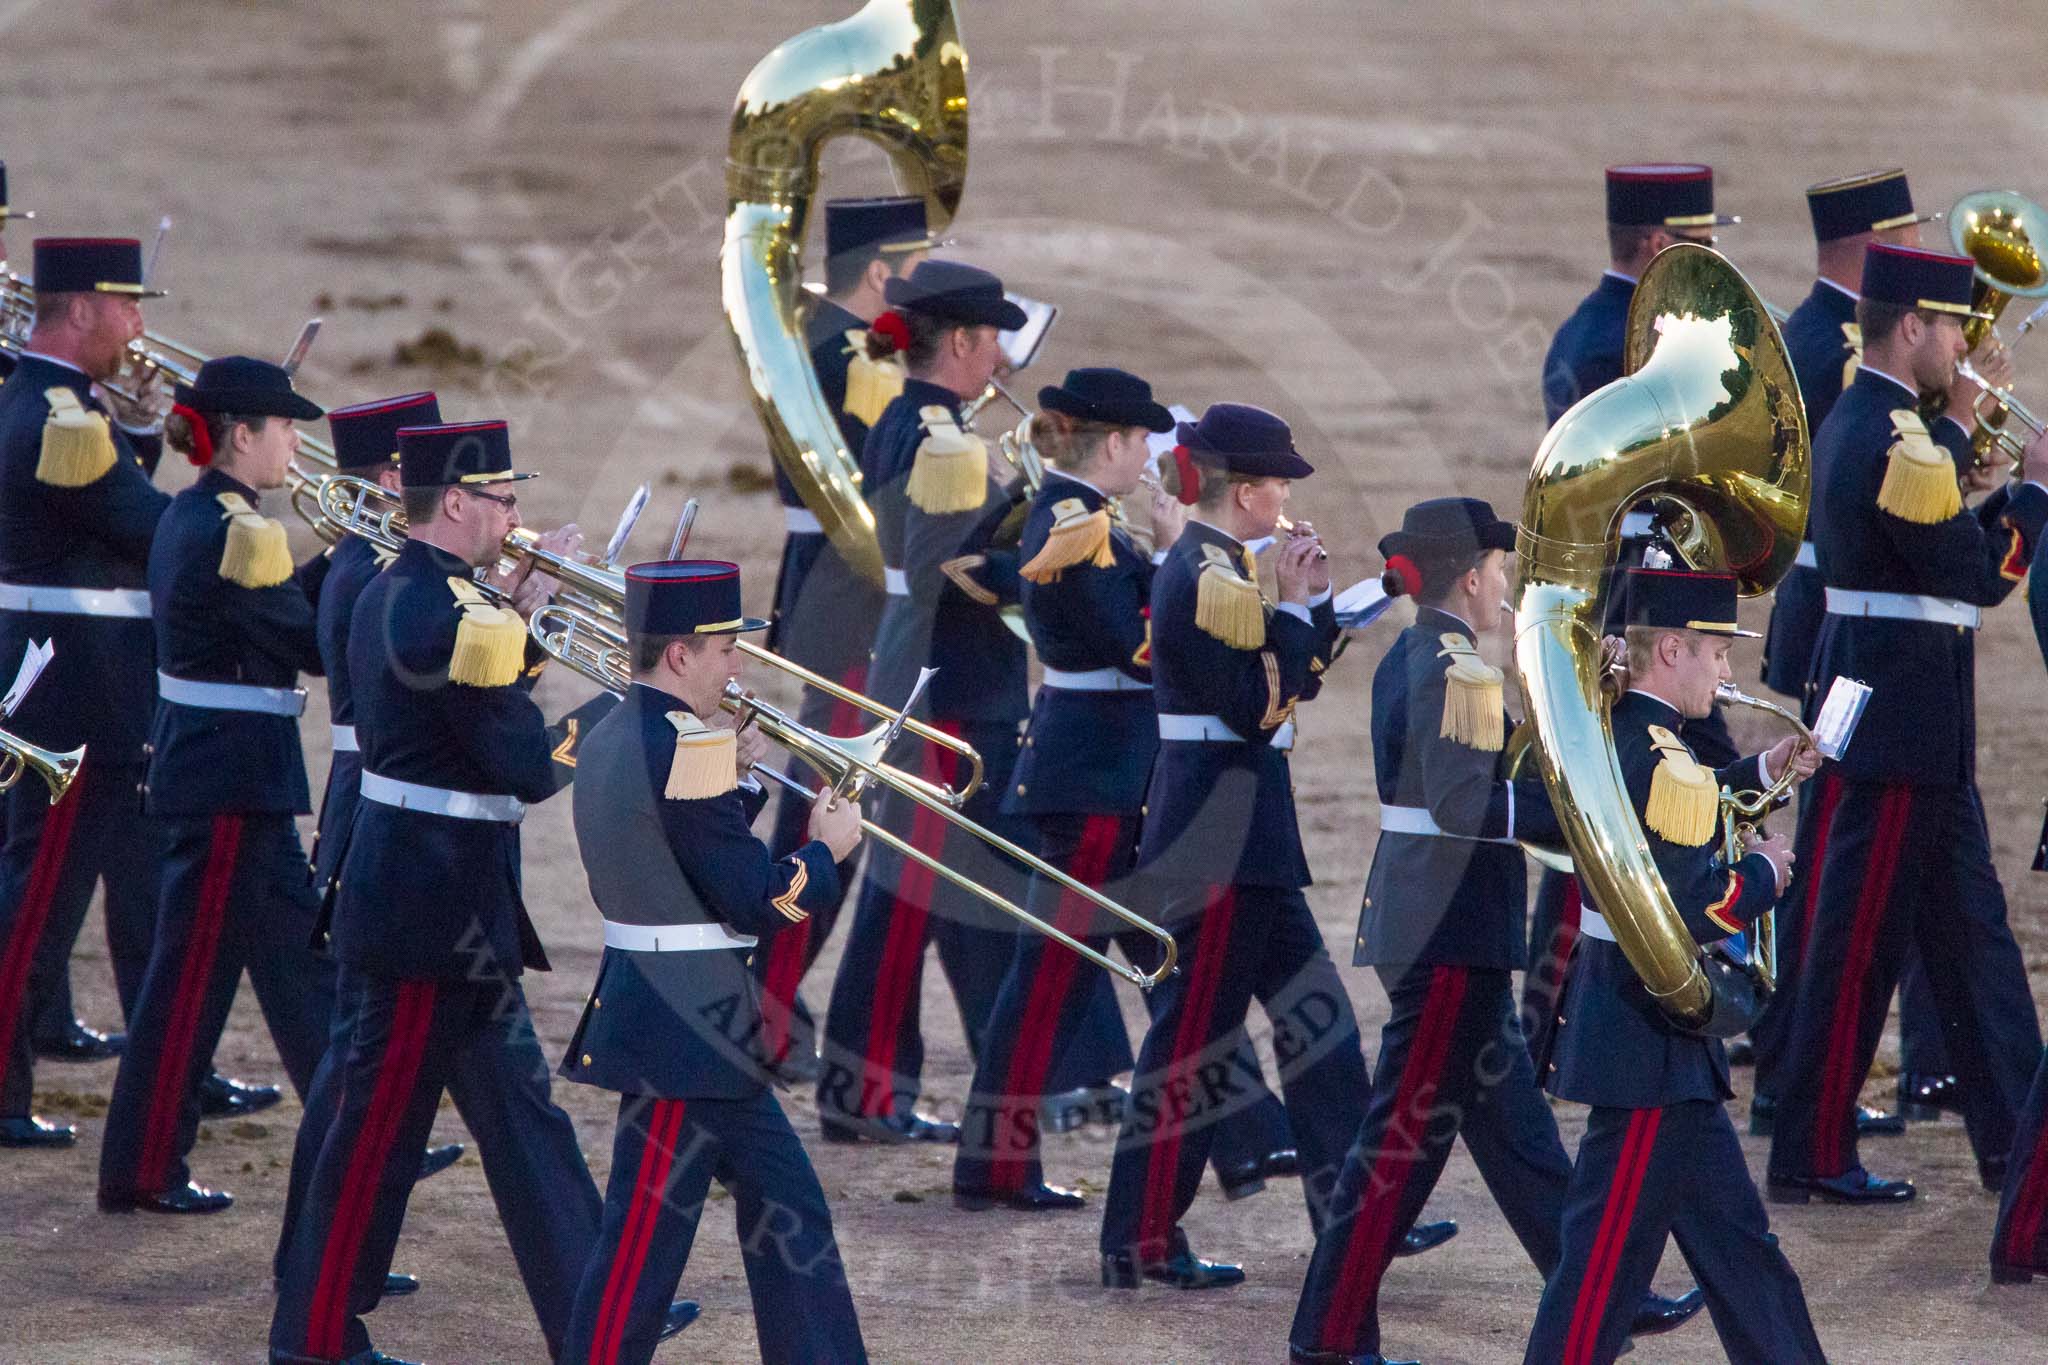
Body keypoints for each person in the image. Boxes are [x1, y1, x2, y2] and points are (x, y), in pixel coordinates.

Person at [269, 420, 692, 1364]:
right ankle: (311, 1340)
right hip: (429, 914)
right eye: (503, 498)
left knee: (520, 1110)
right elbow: (528, 764)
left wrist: (527, 629)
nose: (517, 515)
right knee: (369, 1138)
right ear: (454, 503)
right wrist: (634, 705)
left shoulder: (415, 589)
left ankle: (598, 1327)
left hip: (444, 905)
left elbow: (470, 705)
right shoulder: (450, 613)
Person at [1288, 502, 1701, 1365]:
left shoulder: (1431, 656)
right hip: (1447, 935)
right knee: (1393, 1155)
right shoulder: (1451, 667)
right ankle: (1326, 1340)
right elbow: (1464, 801)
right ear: (1472, 575)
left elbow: (1492, 770)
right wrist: (1578, 812)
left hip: (1450, 929)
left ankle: (1603, 1295)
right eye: (1501, 570)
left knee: (1521, 1141)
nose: (1508, 583)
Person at [1097, 403, 1449, 1289]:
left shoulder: (1224, 566)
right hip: (1217, 844)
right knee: (1193, 1045)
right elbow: (1258, 706)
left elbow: (1289, 681)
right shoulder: (1210, 576)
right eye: (1280, 483)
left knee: (1318, 1023)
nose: (1288, 496)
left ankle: (1354, 1217)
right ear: (1247, 492)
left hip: (1247, 838)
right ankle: (1139, 1235)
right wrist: (1295, 609)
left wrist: (1319, 604)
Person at [948, 367, 1293, 1208]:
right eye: (1141, 441)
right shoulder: (1078, 524)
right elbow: (1141, 649)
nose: (1150, 456)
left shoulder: (1088, 519)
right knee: (1060, 979)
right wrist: (1178, 554)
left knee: (1175, 966)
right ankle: (996, 1164)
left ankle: (1250, 1138)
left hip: (1110, 770)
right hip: (1097, 775)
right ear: (1110, 444)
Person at [1766, 242, 2048, 1206]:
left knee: (1975, 948)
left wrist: (1975, 451)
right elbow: (1976, 574)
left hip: (1910, 730)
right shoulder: (1897, 438)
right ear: (1914, 326)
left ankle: (2019, 1152)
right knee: (1856, 951)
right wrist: (2037, 491)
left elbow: (1935, 536)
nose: (1966, 347)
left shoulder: (1878, 422)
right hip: (1900, 733)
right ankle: (1811, 1149)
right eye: (1955, 328)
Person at [558, 558, 866, 1365]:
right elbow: (758, 900)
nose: (740, 664)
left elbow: (674, 850)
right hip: (683, 1030)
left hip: (685, 1023)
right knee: (638, 1250)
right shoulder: (685, 751)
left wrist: (734, 781)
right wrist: (824, 851)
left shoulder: (617, 726)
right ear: (680, 656)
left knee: (790, 1209)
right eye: (725, 647)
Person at [1523, 567, 1824, 1365]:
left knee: (1740, 1249)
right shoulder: (1660, 755)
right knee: (1598, 1271)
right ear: (1670, 650)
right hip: (1646, 1040)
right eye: (1717, 655)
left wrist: (1758, 775)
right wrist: (1765, 875)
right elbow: (1696, 904)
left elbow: (1678, 818)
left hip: (1647, 1034)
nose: (1727, 674)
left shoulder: (1629, 733)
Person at [95, 357, 335, 1213]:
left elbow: (270, 620)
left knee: (298, 971)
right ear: (242, 434)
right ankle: (143, 1167)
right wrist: (360, 568)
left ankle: (359, 1134)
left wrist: (333, 562)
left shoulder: (202, 515)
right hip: (234, 779)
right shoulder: (241, 531)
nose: (295, 443)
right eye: (285, 428)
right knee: (187, 986)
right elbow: (306, 641)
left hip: (223, 773)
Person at [1751, 170, 1950, 1141]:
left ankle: (1825, 1072)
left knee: (1863, 865)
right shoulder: (1833, 348)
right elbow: (1886, 490)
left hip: (1831, 624)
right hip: (1853, 627)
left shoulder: (1808, 330)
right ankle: (1800, 1074)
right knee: (1844, 869)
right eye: (1904, 227)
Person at [814, 258, 1030, 1143]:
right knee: (911, 889)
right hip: (947, 680)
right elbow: (959, 569)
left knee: (934, 887)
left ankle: (975, 1074)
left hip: (924, 666)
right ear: (966, 342)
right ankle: (864, 1091)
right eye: (993, 342)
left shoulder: (915, 417)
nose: (1002, 359)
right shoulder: (940, 438)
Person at [272, 390, 464, 1298]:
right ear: (391, 476)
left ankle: (323, 1263)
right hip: (375, 813)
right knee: (358, 1065)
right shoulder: (372, 572)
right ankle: (316, 1269)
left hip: (371, 807)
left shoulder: (360, 560)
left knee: (360, 1066)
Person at [756, 195, 938, 1081]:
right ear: (880, 274)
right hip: (855, 596)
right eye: (912, 271)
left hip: (822, 590)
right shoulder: (863, 355)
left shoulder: (811, 339)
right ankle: (764, 1013)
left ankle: (772, 1009)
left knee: (831, 804)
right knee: (827, 808)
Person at [0, 237, 170, 1148]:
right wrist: (227, 483)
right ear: (79, 311)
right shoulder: (60, 418)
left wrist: (140, 434)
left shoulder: (57, 406)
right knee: (37, 903)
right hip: (74, 689)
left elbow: (102, 521)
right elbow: (148, 532)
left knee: (50, 891)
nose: (140, 323)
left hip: (80, 682)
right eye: (127, 304)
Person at [1539, 164, 1735, 425]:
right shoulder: (1638, 344)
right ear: (1659, 245)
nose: (1711, 259)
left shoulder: (1574, 329)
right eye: (1703, 245)